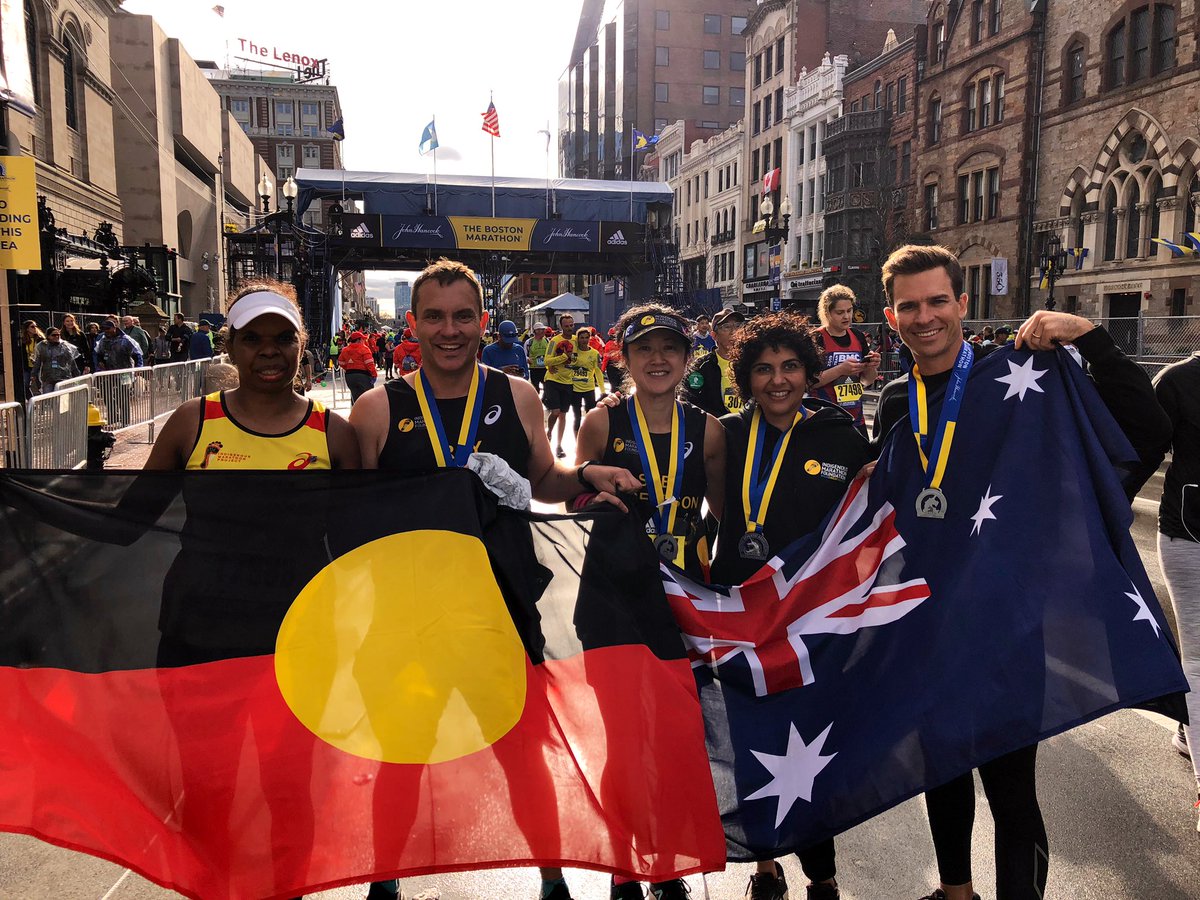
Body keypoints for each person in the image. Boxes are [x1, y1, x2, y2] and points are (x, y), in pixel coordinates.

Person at [870, 244, 1171, 900]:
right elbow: (881, 510)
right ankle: (957, 894)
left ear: (962, 303)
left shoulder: (1023, 379)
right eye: (909, 305)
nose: (925, 316)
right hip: (928, 626)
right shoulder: (897, 401)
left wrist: (1090, 336)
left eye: (937, 301)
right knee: (941, 769)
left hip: (1010, 628)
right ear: (891, 316)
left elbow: (1147, 430)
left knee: (1010, 788)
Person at [710, 311, 873, 900]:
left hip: (809, 626)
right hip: (739, 617)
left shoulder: (840, 438)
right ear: (745, 378)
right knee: (752, 746)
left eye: (790, 367)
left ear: (810, 374)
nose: (777, 381)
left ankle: (823, 875)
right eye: (762, 370)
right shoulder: (722, 435)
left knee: (808, 752)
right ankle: (764, 866)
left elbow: (876, 513)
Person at [573, 304, 725, 900]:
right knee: (622, 741)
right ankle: (622, 866)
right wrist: (593, 491)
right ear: (626, 359)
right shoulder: (602, 422)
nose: (657, 360)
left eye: (669, 349)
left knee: (675, 740)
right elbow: (575, 507)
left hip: (683, 602)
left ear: (688, 361)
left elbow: (728, 514)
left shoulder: (709, 428)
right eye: (644, 350)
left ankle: (666, 863)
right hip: (613, 596)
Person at [349, 257, 638, 503]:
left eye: (463, 317)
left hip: (506, 568)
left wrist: (585, 474)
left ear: (483, 322)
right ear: (413, 324)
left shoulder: (520, 396)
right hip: (413, 569)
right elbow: (359, 510)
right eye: (434, 317)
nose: (449, 331)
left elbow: (542, 481)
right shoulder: (375, 410)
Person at [1143, 353, 1200, 830]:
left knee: (1198, 660)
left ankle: (1190, 727)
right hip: (1188, 530)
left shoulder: (1178, 379)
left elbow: (1139, 450)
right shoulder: (1178, 379)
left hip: (1187, 527)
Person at [807, 285, 879, 434]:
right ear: (828, 313)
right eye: (840, 312)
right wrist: (840, 370)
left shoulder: (858, 336)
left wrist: (871, 366)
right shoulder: (816, 338)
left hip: (856, 419)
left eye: (849, 310)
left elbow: (866, 381)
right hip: (825, 419)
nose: (846, 316)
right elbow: (810, 383)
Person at [684, 307, 745, 418]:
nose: (734, 332)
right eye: (726, 327)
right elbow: (689, 403)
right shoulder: (701, 367)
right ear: (714, 335)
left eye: (738, 326)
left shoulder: (752, 363)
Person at [542, 330, 578, 458]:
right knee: (555, 412)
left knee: (563, 415)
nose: (569, 328)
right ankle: (549, 432)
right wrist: (563, 357)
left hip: (568, 382)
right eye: (567, 325)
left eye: (571, 325)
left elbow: (580, 356)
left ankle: (559, 445)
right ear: (562, 327)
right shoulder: (554, 341)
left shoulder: (576, 340)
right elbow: (547, 360)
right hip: (553, 379)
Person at [29, 327, 82, 395]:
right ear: (48, 336)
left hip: (63, 377)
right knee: (48, 398)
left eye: (58, 335)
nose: (56, 337)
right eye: (53, 335)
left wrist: (77, 375)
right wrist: (33, 374)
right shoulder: (42, 346)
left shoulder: (65, 346)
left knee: (62, 398)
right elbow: (37, 362)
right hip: (48, 377)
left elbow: (71, 362)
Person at [338, 331, 378, 404]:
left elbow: (340, 362)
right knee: (367, 397)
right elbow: (369, 364)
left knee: (354, 396)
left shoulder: (345, 349)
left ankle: (355, 413)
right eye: (363, 339)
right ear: (358, 340)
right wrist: (374, 375)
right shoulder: (364, 349)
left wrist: (348, 367)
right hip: (362, 376)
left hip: (349, 376)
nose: (364, 341)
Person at [20, 320, 45, 399]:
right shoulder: (22, 340)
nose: (35, 328)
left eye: (35, 326)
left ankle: (43, 400)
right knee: (26, 385)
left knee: (40, 384)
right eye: (32, 327)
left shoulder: (40, 339)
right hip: (27, 366)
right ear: (27, 329)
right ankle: (31, 401)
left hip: (39, 366)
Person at [525, 323, 550, 394]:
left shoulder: (548, 341)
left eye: (543, 329)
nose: (542, 331)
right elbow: (524, 354)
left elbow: (551, 353)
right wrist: (528, 359)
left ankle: (544, 402)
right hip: (534, 369)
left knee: (547, 389)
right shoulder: (529, 342)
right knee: (535, 390)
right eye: (540, 330)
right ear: (536, 331)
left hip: (545, 369)